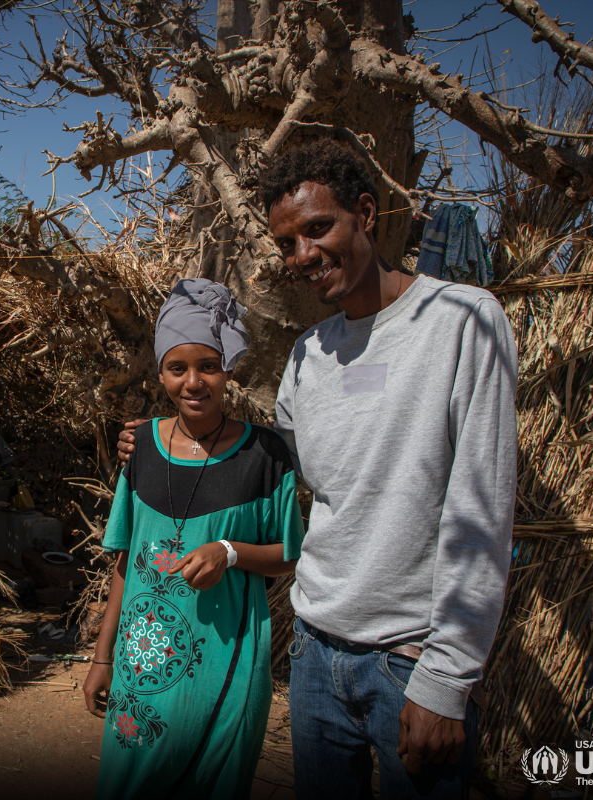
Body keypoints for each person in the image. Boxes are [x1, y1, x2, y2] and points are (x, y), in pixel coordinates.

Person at [118, 138, 518, 799]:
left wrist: (448, 679)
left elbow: (483, 509)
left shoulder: (461, 321)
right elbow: (270, 465)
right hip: (315, 656)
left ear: (365, 212)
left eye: (318, 228)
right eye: (287, 243)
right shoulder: (310, 356)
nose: (304, 255)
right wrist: (155, 439)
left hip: (409, 661)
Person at [84, 278, 304, 800]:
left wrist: (229, 553)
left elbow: (288, 555)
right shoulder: (138, 448)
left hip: (229, 662)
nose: (194, 382)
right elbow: (125, 563)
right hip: (145, 667)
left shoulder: (266, 457)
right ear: (160, 372)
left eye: (208, 366)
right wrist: (102, 656)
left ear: (228, 369)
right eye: (177, 368)